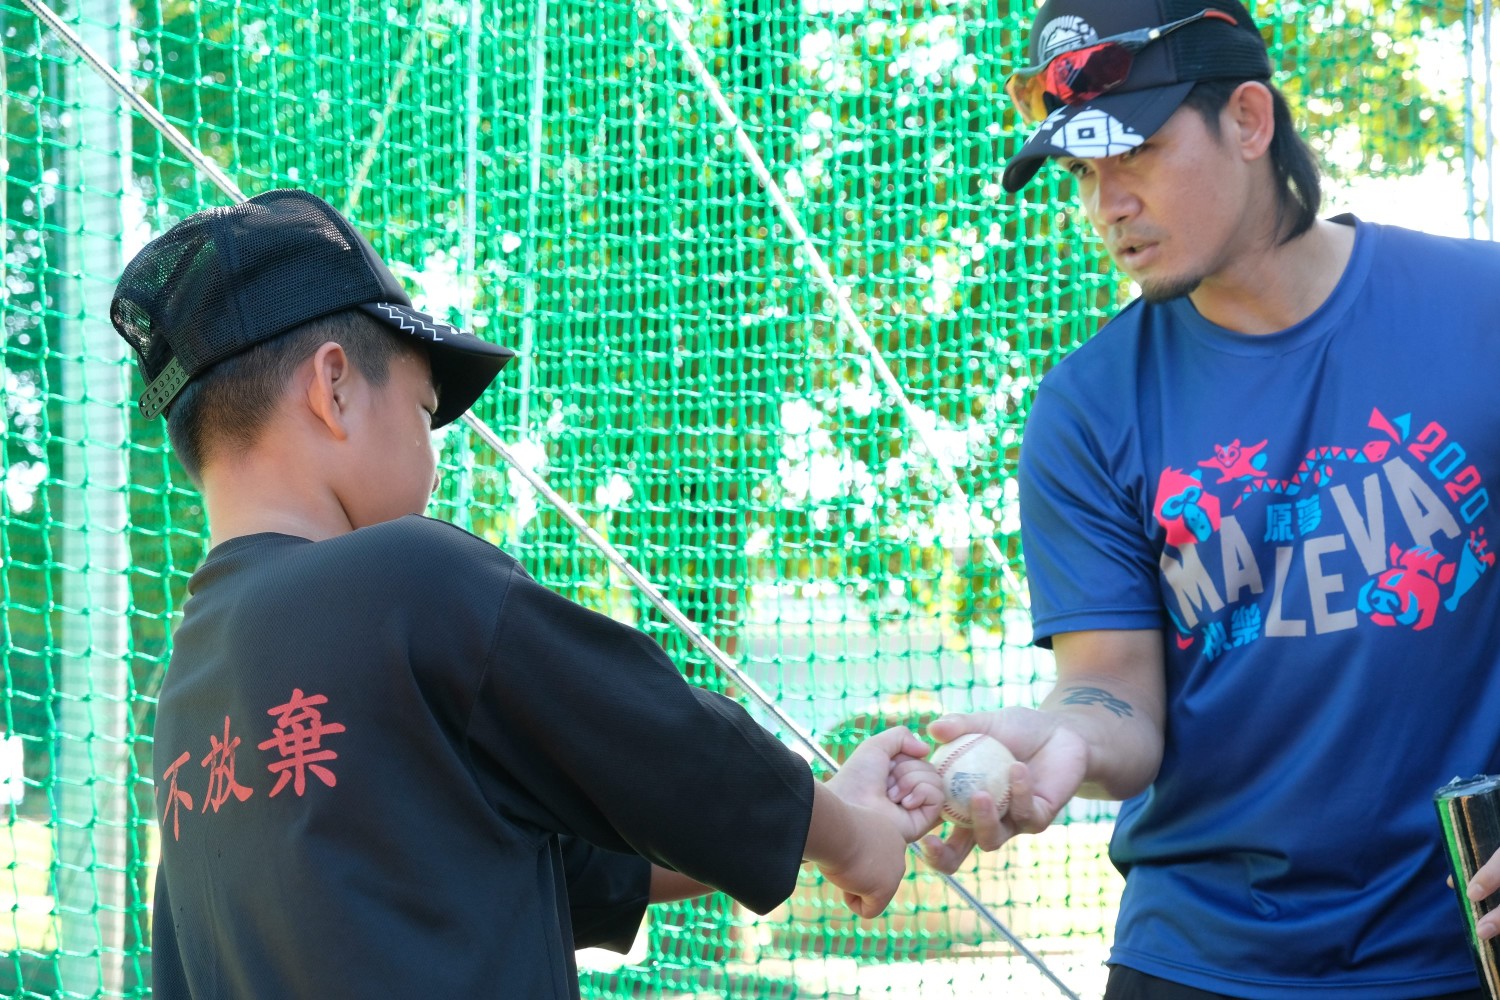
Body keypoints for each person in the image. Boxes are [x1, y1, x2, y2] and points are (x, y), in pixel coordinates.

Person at [114, 189, 944, 999]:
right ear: (333, 387)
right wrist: (852, 839)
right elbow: (672, 750)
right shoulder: (407, 579)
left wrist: (824, 814)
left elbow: (555, 849)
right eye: (425, 408)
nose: (433, 455)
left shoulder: (188, 697)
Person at [906, 0, 1500, 996]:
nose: (1106, 205)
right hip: (1198, 959)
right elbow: (1117, 696)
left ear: (1250, 121)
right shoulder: (1086, 408)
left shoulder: (1480, 311)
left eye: (1131, 154)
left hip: (1456, 952)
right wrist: (1069, 734)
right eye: (1085, 173)